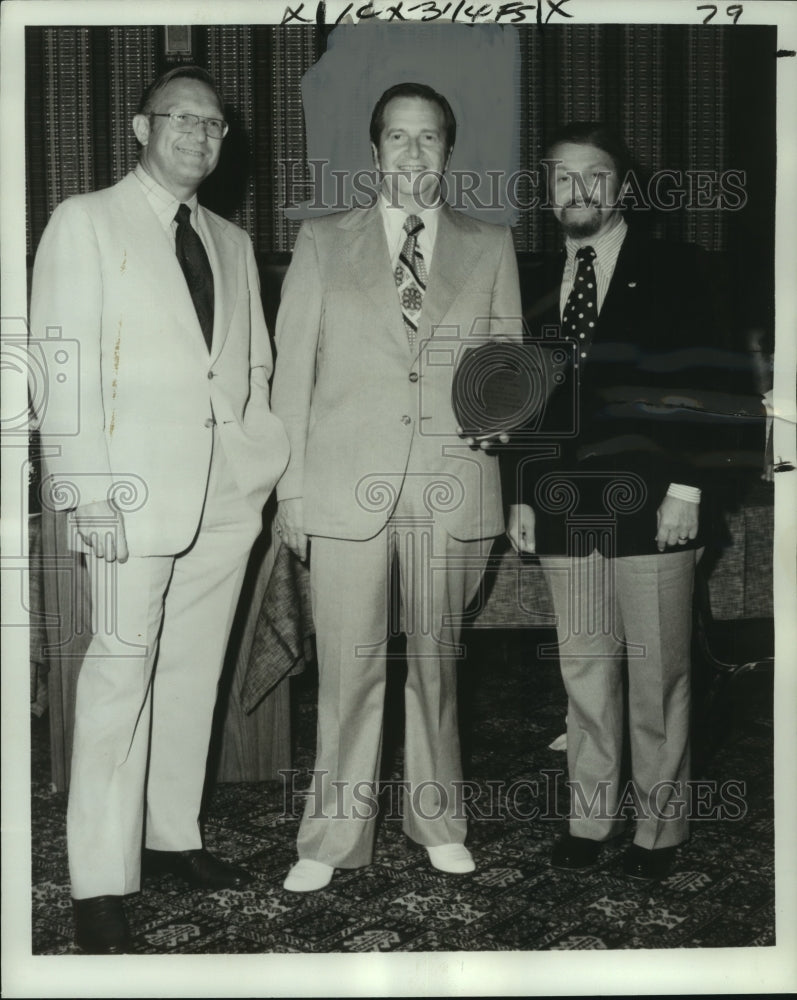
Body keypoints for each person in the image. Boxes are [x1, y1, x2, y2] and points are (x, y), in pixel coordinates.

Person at [30, 65, 289, 952]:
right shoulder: (85, 221)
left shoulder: (231, 238)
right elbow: (58, 370)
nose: (198, 135)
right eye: (180, 119)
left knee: (192, 672)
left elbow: (250, 367)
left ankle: (171, 833)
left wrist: (260, 467)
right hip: (128, 501)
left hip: (224, 496)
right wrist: (83, 494)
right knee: (118, 677)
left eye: (213, 125)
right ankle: (100, 881)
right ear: (141, 129)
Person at [272, 81, 522, 891]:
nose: (413, 153)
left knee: (438, 665)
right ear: (374, 150)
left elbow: (506, 365)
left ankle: (437, 820)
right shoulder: (319, 242)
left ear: (448, 150)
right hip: (344, 490)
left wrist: (504, 412)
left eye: (429, 138)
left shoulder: (490, 245)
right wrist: (293, 495)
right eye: (397, 138)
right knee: (348, 668)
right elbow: (290, 381)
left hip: (450, 488)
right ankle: (330, 839)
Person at [506, 122, 724, 882]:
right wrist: (524, 493)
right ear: (545, 190)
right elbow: (522, 398)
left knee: (658, 672)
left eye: (593, 175)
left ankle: (658, 833)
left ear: (621, 186)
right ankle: (589, 818)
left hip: (655, 500)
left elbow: (713, 383)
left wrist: (689, 488)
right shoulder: (530, 277)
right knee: (584, 669)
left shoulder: (678, 267)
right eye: (560, 176)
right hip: (565, 505)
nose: (577, 190)